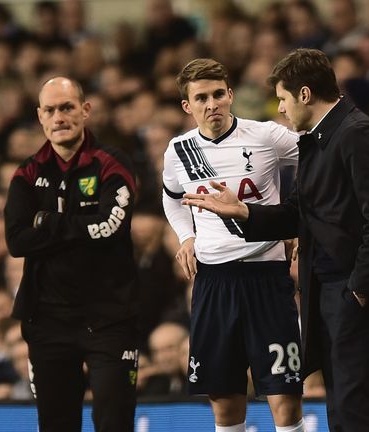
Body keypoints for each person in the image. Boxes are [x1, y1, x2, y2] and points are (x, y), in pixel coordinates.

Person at [181, 48, 369, 431]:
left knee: (357, 410)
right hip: (326, 292)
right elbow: (296, 213)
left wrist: (360, 289)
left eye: (283, 99)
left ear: (304, 95)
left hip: (354, 294)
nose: (280, 109)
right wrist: (242, 211)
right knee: (342, 408)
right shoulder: (316, 141)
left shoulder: (358, 134)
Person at [162, 58, 304, 432]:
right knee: (224, 403)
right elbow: (172, 197)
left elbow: (321, 162)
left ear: (231, 95)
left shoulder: (267, 136)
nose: (213, 105)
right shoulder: (178, 151)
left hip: (267, 278)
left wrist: (296, 220)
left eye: (219, 94)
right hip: (213, 282)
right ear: (187, 106)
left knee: (285, 399)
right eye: (202, 98)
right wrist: (186, 236)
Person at [4, 76, 139, 432]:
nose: (59, 117)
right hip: (47, 321)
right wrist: (80, 227)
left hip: (109, 318)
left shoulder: (112, 163)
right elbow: (17, 241)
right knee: (56, 425)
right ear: (40, 117)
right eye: (50, 110)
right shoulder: (27, 173)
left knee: (114, 420)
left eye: (66, 107)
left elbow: (112, 228)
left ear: (86, 110)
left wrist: (48, 222)